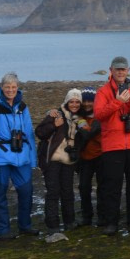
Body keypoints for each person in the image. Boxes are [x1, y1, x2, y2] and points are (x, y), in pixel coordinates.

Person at [93, 56, 130, 234]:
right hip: (113, 146)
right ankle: (112, 222)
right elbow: (99, 114)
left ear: (128, 70)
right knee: (113, 186)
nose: (120, 72)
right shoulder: (103, 92)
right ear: (111, 70)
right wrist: (118, 101)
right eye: (117, 69)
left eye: (123, 69)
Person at [0, 72, 38, 240]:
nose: (10, 90)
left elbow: (29, 134)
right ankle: (2, 231)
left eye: (13, 87)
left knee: (26, 192)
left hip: (22, 158)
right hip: (0, 159)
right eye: (7, 87)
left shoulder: (23, 107)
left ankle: (25, 226)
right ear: (1, 87)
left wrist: (33, 159)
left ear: (17, 88)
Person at [34, 88, 86, 231]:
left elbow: (84, 137)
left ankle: (69, 222)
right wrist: (53, 125)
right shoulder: (56, 114)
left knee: (68, 191)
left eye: (77, 102)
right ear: (66, 101)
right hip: (53, 159)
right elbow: (39, 132)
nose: (74, 104)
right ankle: (53, 225)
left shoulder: (80, 119)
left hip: (69, 160)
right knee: (53, 192)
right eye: (71, 101)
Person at [76, 88, 103, 226]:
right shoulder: (78, 116)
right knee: (84, 187)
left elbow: (88, 134)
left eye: (90, 101)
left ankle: (102, 216)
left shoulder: (99, 117)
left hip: (100, 155)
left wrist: (81, 124)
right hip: (85, 157)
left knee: (102, 188)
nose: (87, 104)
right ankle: (87, 215)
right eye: (84, 101)